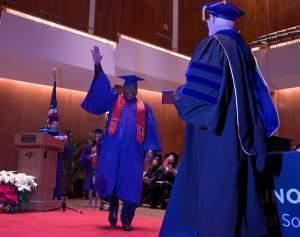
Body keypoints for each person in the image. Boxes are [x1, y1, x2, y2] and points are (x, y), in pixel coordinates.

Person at [159, 1, 279, 237]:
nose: (206, 27)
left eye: (207, 22)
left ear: (212, 18)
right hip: (242, 143)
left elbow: (199, 98)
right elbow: (262, 102)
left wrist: (178, 95)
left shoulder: (213, 45)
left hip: (216, 140)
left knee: (214, 204)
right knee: (238, 202)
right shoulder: (246, 53)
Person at [81, 46, 161, 231]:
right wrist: (97, 66)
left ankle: (127, 219)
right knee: (111, 179)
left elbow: (150, 128)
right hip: (113, 150)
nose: (131, 91)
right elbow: (101, 89)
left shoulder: (145, 108)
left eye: (134, 88)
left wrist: (150, 149)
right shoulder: (114, 100)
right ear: (123, 88)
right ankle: (114, 207)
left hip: (133, 153)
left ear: (137, 89)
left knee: (131, 184)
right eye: (128, 88)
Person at [80, 128, 105, 209]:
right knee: (90, 187)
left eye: (99, 136)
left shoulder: (104, 147)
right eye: (96, 136)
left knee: (98, 187)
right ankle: (90, 202)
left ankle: (97, 203)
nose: (97, 138)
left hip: (99, 169)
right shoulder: (90, 146)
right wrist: (90, 156)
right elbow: (83, 156)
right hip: (91, 168)